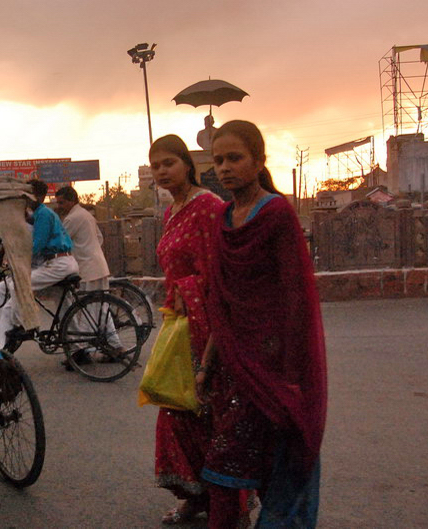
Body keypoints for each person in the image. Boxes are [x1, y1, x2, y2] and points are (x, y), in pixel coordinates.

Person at [199, 120, 327, 528]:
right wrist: (206, 365)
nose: (224, 168)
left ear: (258, 161)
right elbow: (221, 303)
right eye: (218, 160)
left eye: (234, 158)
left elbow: (295, 299)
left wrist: (291, 376)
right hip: (235, 367)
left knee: (281, 460)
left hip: (275, 367)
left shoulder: (276, 214)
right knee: (224, 465)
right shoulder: (223, 220)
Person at [149, 135, 253, 526]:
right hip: (178, 324)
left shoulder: (208, 206)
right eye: (156, 165)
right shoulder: (170, 211)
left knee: (211, 416)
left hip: (207, 325)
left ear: (187, 164)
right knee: (177, 414)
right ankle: (195, 496)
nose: (162, 171)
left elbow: (218, 273)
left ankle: (233, 505)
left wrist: (189, 298)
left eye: (169, 163)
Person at [0, 179, 78, 351]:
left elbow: (37, 245)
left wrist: (17, 263)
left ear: (37, 196)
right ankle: (78, 348)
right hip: (60, 263)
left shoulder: (44, 214)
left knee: (20, 285)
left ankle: (15, 329)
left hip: (58, 264)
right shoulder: (38, 214)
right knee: (64, 305)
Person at [54, 185, 122, 368]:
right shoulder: (86, 215)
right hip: (98, 265)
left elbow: (59, 242)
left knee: (85, 312)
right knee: (101, 310)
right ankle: (115, 345)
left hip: (87, 270)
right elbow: (99, 238)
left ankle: (83, 352)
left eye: (61, 202)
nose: (59, 206)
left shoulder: (73, 218)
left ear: (71, 201)